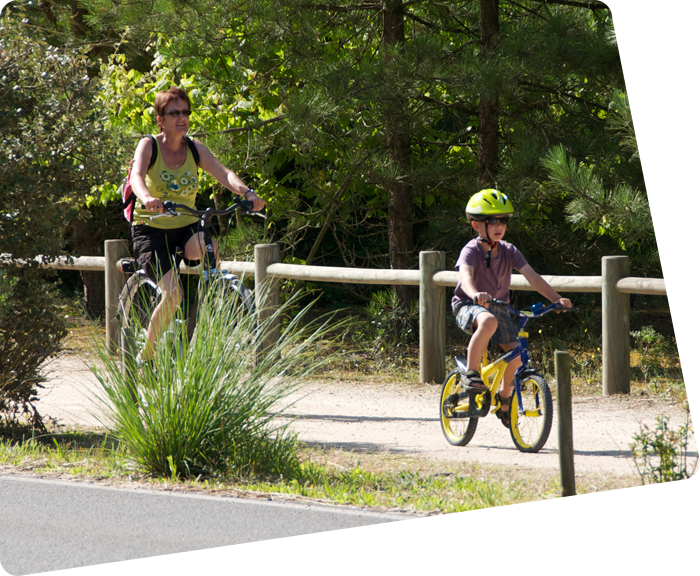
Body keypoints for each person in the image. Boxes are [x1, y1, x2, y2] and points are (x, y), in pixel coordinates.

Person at [128, 85, 265, 363]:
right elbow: (137, 177)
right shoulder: (149, 145)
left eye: (186, 112)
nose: (182, 117)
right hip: (151, 229)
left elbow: (223, 172)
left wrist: (247, 193)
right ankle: (148, 354)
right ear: (160, 119)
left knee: (207, 245)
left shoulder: (194, 147)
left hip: (186, 224)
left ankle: (189, 310)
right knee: (172, 295)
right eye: (174, 112)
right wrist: (147, 197)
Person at [452, 189, 571, 427]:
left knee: (517, 355)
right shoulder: (471, 250)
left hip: (499, 308)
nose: (499, 225)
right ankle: (471, 375)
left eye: (503, 220)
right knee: (487, 321)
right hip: (468, 304)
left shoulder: (509, 250)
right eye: (492, 220)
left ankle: (504, 400)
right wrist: (475, 294)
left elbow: (533, 278)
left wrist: (557, 299)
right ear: (476, 225)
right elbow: (465, 276)